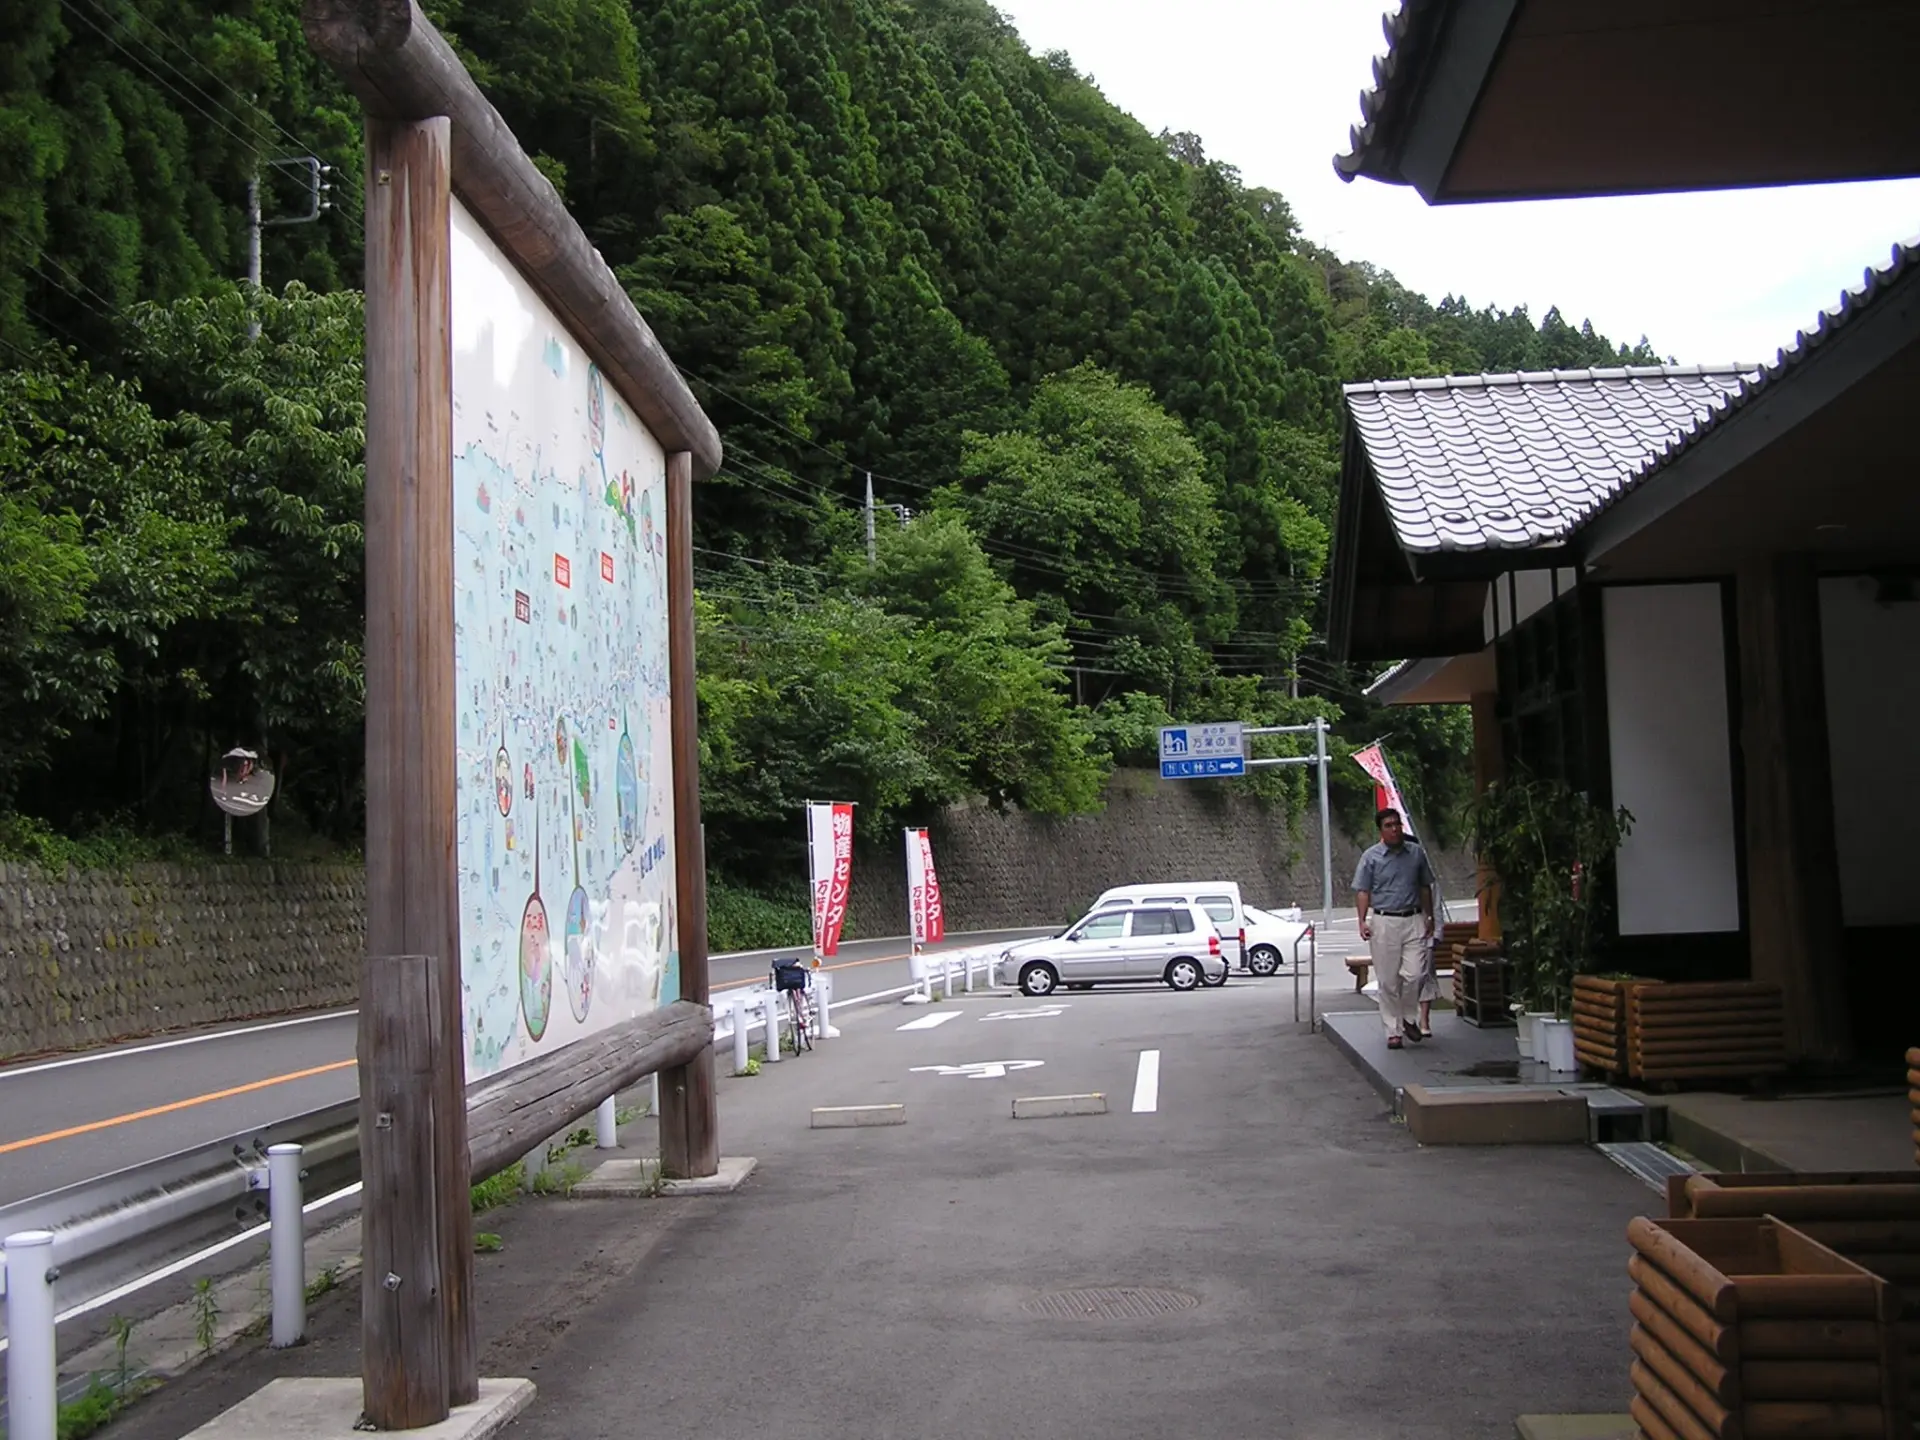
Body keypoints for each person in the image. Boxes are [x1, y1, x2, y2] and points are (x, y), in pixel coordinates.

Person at [1353, 807, 1437, 1050]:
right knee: (1388, 980)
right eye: (1388, 825)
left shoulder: (1416, 854)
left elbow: (1425, 887)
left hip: (1413, 918)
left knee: (1415, 973)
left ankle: (1409, 1018)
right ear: (1381, 830)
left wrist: (1429, 916)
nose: (1394, 829)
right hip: (1384, 921)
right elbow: (1363, 891)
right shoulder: (1371, 857)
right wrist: (1362, 920)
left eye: (1397, 824)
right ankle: (1393, 1030)